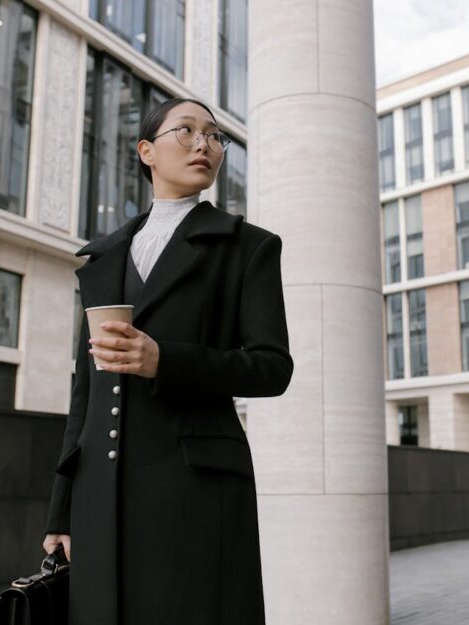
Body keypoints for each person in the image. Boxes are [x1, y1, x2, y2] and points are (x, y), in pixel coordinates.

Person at [41, 97, 293, 625]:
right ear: (147, 151)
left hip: (195, 490)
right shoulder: (102, 258)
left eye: (214, 135)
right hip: (100, 495)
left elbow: (272, 368)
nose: (204, 144)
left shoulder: (248, 248)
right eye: (186, 131)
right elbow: (84, 394)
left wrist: (165, 360)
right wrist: (62, 510)